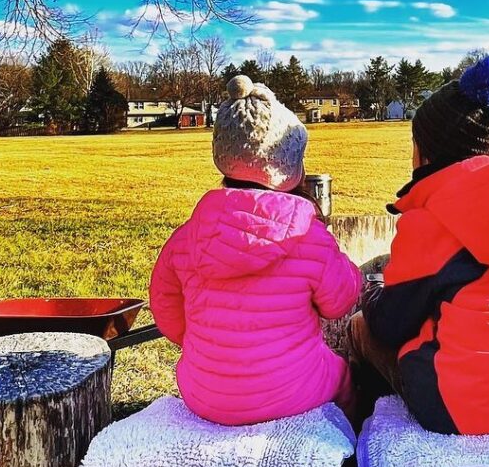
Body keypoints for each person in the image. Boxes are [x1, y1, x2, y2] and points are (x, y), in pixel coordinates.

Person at [348, 56, 489, 435]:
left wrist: (370, 293)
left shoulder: (433, 220)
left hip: (455, 404)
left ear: (428, 154)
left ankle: (362, 441)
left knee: (360, 328)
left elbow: (389, 323)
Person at [149, 75, 361, 426]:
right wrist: (349, 269)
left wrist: (212, 345)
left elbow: (166, 308)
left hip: (203, 393)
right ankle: (351, 449)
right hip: (294, 391)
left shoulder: (186, 238)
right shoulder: (308, 235)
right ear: (289, 168)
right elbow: (339, 301)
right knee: (341, 374)